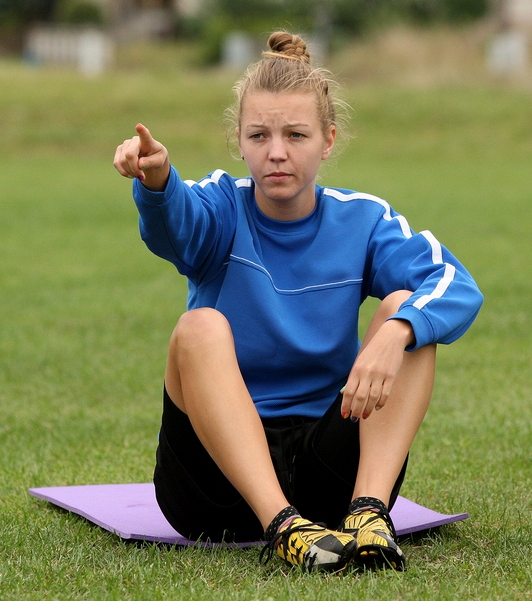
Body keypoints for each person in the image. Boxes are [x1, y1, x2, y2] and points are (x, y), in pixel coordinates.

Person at [113, 31, 483, 573]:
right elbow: (177, 231)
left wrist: (397, 332)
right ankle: (282, 529)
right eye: (259, 135)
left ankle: (368, 515)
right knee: (199, 327)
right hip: (214, 491)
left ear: (328, 140)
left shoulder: (364, 219)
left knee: (407, 310)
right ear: (239, 141)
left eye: (297, 134)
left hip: (327, 479)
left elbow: (455, 283)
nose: (277, 152)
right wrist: (158, 181)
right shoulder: (220, 207)